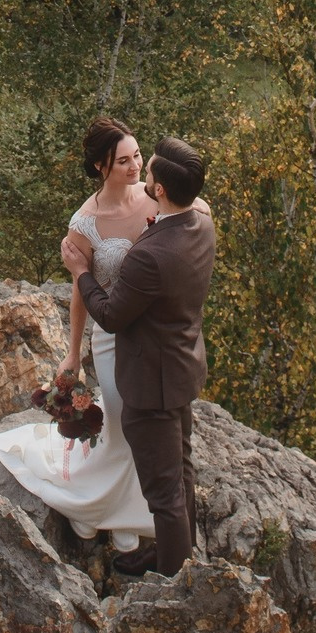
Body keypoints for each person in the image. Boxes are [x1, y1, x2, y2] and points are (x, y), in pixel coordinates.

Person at [0, 118, 157, 553]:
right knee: (117, 419)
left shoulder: (155, 197)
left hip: (152, 333)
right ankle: (92, 505)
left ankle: (129, 509)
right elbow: (80, 292)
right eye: (123, 161)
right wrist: (72, 354)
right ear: (101, 166)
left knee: (145, 420)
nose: (134, 167)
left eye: (137, 156)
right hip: (113, 335)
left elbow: (196, 210)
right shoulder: (86, 223)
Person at [62, 135, 214, 576]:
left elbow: (109, 315)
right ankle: (174, 551)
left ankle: (173, 576)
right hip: (182, 365)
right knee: (180, 471)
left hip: (152, 378)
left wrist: (81, 272)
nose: (139, 171)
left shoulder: (150, 253)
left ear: (162, 190)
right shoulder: (200, 224)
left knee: (165, 491)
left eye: (145, 167)